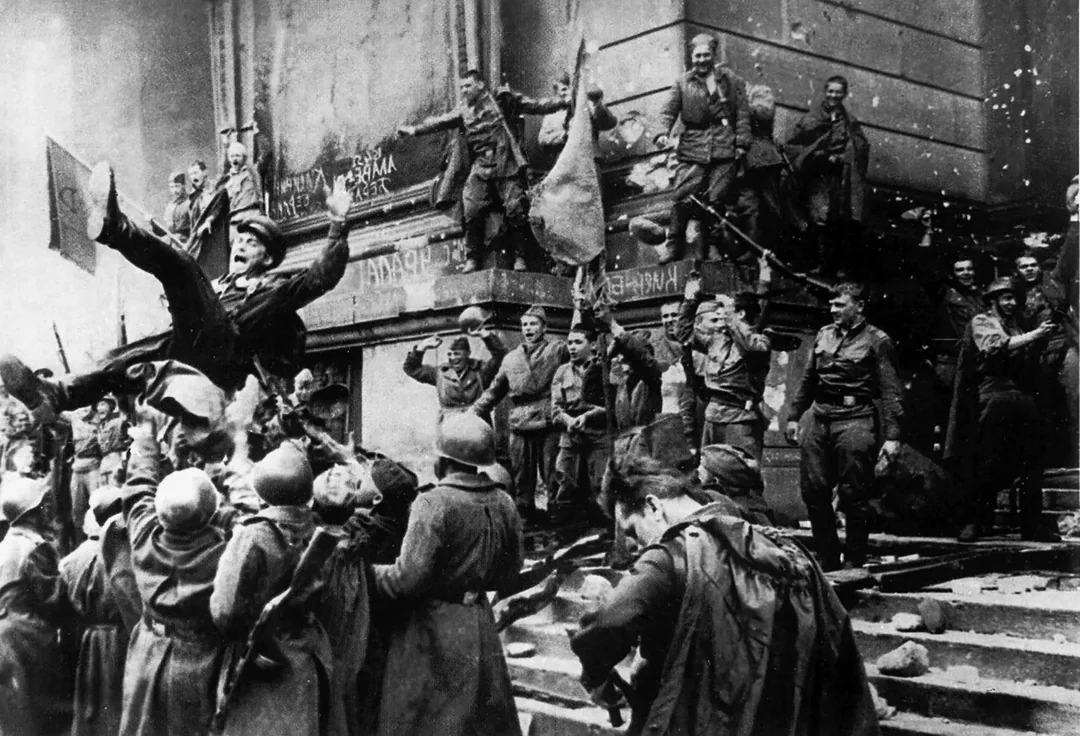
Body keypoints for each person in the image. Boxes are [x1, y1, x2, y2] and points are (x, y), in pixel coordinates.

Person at [0, 163, 353, 417]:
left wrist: (338, 225)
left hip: (226, 354)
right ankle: (53, 396)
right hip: (190, 345)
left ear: (269, 258)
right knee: (124, 358)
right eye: (240, 239)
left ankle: (115, 229)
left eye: (253, 242)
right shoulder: (218, 285)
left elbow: (320, 278)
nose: (241, 245)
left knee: (182, 266)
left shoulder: (273, 288)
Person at [570, 454, 880, 736]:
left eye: (633, 532)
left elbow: (605, 625)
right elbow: (838, 643)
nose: (638, 547)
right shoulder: (780, 547)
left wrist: (597, 680)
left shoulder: (669, 556)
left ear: (653, 506)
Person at [372, 413, 523, 736]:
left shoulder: (432, 503)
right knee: (484, 721)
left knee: (429, 722)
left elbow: (407, 580)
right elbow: (510, 573)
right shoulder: (504, 502)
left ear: (442, 461)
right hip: (480, 622)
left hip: (432, 629)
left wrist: (366, 574)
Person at [210, 443, 333, 736]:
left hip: (261, 658)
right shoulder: (318, 531)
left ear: (261, 493)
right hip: (306, 652)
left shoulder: (252, 536)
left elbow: (225, 612)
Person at [118, 426, 230, 736]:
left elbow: (138, 488)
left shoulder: (143, 535)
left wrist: (144, 439)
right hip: (199, 660)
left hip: (148, 649)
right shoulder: (223, 553)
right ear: (211, 514)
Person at [398, 69, 567, 273]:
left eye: (468, 86)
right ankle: (472, 258)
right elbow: (439, 122)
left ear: (480, 85)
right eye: (461, 87)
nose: (464, 90)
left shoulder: (502, 99)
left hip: (506, 164)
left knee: (515, 209)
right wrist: (414, 130)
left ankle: (520, 256)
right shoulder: (463, 111)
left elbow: (536, 105)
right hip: (481, 166)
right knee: (471, 209)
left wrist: (563, 102)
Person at [785, 282, 903, 569]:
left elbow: (891, 391)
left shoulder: (878, 341)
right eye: (832, 304)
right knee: (813, 490)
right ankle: (827, 559)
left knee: (855, 493)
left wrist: (893, 436)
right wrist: (794, 416)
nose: (833, 309)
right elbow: (809, 380)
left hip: (855, 418)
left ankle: (853, 559)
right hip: (819, 417)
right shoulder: (824, 334)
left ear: (859, 306)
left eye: (840, 304)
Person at [946, 278, 1059, 542]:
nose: (1011, 303)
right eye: (1005, 298)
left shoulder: (1018, 324)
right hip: (993, 395)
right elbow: (994, 347)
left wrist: (1038, 339)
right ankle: (974, 521)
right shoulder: (982, 321)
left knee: (1032, 461)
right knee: (986, 458)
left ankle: (1032, 525)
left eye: (1013, 298)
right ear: (993, 301)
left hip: (1021, 393)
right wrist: (1035, 335)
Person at [654, 33, 750, 264]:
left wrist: (742, 143)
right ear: (691, 57)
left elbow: (742, 114)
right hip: (693, 146)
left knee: (717, 200)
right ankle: (674, 246)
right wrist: (661, 133)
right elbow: (667, 111)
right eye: (697, 56)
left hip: (723, 146)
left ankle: (714, 248)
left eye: (706, 55)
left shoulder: (731, 80)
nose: (701, 60)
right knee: (682, 196)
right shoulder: (682, 83)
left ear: (713, 55)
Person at [473, 305, 569, 523]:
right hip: (520, 422)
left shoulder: (557, 350)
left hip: (548, 419)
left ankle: (556, 513)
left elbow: (577, 339)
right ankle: (525, 514)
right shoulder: (511, 359)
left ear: (544, 328)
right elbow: (495, 390)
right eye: (525, 325)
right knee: (522, 473)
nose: (528, 329)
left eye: (533, 324)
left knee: (552, 470)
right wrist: (475, 410)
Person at [0, 476, 74, 736]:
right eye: (42, 506)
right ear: (30, 514)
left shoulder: (4, 545)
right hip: (27, 635)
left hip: (6, 634)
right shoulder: (35, 548)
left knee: (16, 713)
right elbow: (54, 600)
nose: (47, 510)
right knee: (44, 712)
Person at [677, 271, 772, 461]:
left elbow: (749, 346)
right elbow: (684, 333)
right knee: (710, 470)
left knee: (739, 470)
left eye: (727, 313)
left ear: (740, 314)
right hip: (713, 416)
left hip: (740, 419)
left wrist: (730, 313)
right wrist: (689, 300)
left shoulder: (760, 341)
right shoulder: (717, 340)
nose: (722, 318)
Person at [784, 75, 870, 275]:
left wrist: (843, 157)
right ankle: (812, 262)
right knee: (817, 216)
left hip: (840, 178)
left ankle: (831, 266)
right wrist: (819, 155)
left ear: (844, 94)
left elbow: (861, 147)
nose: (833, 96)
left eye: (838, 92)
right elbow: (794, 144)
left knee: (837, 219)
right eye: (830, 91)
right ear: (825, 92)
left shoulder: (849, 122)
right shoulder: (811, 118)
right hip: (815, 177)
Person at [59, 486, 127, 736]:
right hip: (123, 636)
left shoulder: (71, 561)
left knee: (93, 702)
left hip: (89, 640)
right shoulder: (125, 554)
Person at [550, 325, 608, 520]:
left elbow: (613, 405)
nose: (572, 347)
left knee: (600, 484)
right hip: (571, 433)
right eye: (569, 343)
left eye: (577, 342)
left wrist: (587, 417)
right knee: (565, 480)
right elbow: (555, 408)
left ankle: (602, 527)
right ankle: (567, 529)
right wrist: (569, 420)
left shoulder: (604, 369)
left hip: (599, 434)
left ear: (592, 345)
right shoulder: (562, 372)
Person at [403, 326, 507, 423]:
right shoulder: (440, 373)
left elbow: (501, 357)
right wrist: (422, 346)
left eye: (457, 353)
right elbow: (411, 368)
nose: (452, 358)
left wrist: (485, 335)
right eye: (449, 354)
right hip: (450, 426)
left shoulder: (481, 371)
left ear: (467, 353)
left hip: (477, 424)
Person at [933, 255, 984, 395]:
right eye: (960, 270)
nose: (966, 273)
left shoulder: (981, 296)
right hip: (951, 362)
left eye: (969, 269)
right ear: (952, 274)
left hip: (977, 360)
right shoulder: (944, 295)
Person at [537, 71, 617, 157]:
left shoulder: (588, 106)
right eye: (560, 90)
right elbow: (542, 139)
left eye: (567, 89)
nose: (563, 93)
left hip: (591, 158)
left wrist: (597, 104)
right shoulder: (551, 115)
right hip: (567, 161)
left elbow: (610, 124)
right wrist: (564, 135)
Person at [219, 139, 262, 217]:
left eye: (238, 156)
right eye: (232, 156)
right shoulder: (227, 179)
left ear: (244, 158)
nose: (235, 159)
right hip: (234, 217)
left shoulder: (251, 175)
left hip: (251, 215)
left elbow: (259, 195)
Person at [162, 171, 191, 242]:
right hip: (172, 243)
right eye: (172, 187)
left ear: (184, 186)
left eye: (177, 186)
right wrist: (153, 224)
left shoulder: (191, 202)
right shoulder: (170, 206)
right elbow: (166, 231)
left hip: (187, 244)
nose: (174, 190)